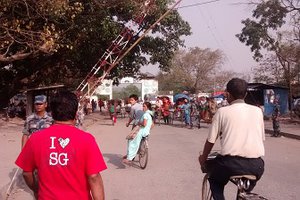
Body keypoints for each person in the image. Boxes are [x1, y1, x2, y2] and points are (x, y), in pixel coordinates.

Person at [15, 91, 106, 200]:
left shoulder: (35, 138)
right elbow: (94, 176)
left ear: (52, 113)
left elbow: (26, 173)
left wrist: (36, 189)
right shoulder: (87, 139)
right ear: (76, 113)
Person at [198, 78, 265, 200]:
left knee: (215, 180)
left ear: (227, 94)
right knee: (245, 188)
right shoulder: (258, 111)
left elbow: (211, 140)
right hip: (257, 166)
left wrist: (203, 158)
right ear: (245, 94)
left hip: (230, 163)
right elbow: (261, 138)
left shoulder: (222, 112)